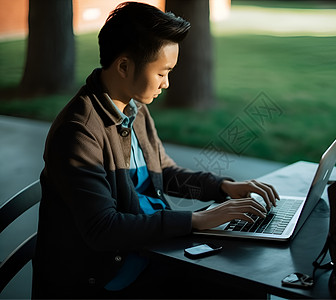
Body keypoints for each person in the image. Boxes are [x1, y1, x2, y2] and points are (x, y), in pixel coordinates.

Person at [32, 2, 279, 299]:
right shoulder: (79, 132)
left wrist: (224, 187)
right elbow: (104, 228)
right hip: (111, 275)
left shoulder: (133, 107)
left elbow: (163, 172)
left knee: (244, 274)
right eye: (162, 73)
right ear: (124, 66)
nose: (166, 83)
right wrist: (198, 220)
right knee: (241, 287)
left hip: (153, 248)